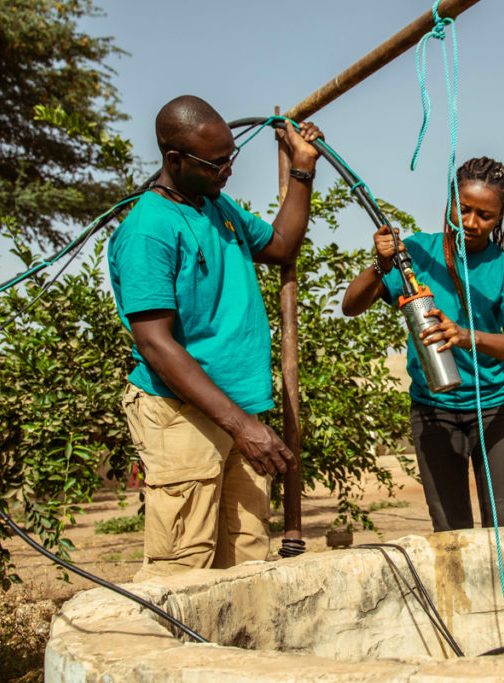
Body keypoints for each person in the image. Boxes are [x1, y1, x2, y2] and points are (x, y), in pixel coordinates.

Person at [108, 95, 322, 579]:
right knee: (182, 567)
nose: (228, 171)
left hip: (241, 414)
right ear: (175, 160)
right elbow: (155, 344)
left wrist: (302, 170)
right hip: (182, 412)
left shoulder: (216, 206)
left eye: (232, 157)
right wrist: (243, 427)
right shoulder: (148, 230)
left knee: (245, 559)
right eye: (216, 163)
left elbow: (281, 243)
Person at [342, 156, 504, 532]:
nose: (471, 223)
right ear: (450, 200)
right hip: (433, 410)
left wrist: (467, 337)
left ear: (502, 217)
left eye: (485, 215)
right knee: (451, 531)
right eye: (463, 209)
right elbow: (351, 306)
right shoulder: (417, 253)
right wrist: (380, 265)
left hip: (495, 410)